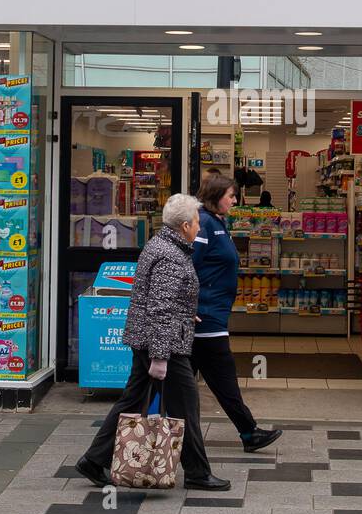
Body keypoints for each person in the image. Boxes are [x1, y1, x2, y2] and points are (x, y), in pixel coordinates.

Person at [75, 193, 230, 491]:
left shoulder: (163, 245)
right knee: (186, 406)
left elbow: (162, 300)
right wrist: (160, 358)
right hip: (164, 345)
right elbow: (159, 308)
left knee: (132, 400)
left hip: (150, 338)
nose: (199, 227)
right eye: (197, 222)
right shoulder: (171, 256)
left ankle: (94, 460)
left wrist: (186, 314)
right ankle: (197, 472)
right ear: (184, 226)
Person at [191, 173, 283, 453]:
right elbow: (188, 267)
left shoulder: (218, 221)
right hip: (205, 317)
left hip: (210, 314)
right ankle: (248, 432)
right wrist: (188, 306)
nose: (235, 200)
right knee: (223, 377)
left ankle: (246, 432)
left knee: (189, 381)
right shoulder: (204, 224)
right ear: (215, 196)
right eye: (230, 196)